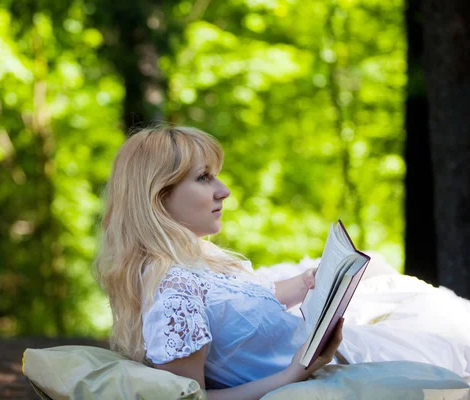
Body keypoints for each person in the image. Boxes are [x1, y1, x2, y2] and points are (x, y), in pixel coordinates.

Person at [95, 126, 470, 399]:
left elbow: (241, 308)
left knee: (406, 290)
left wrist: (312, 280)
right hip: (342, 363)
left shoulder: (190, 264)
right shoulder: (171, 293)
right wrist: (296, 373)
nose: (223, 191)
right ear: (158, 197)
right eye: (204, 178)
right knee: (449, 331)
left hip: (343, 348)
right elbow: (195, 398)